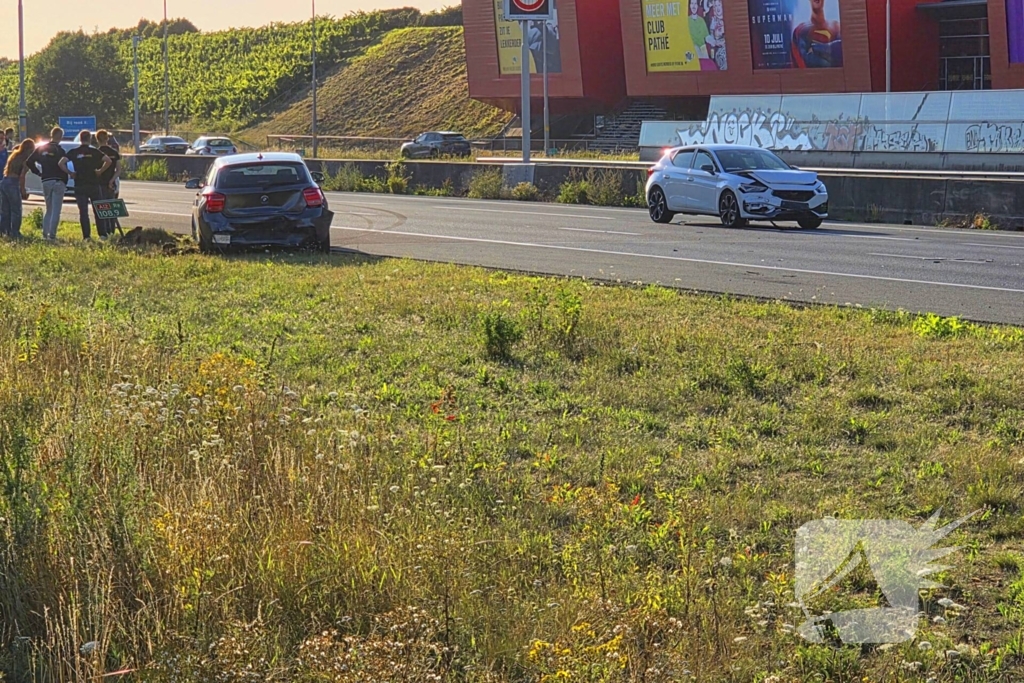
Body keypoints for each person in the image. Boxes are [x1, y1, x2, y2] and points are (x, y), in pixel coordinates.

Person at [59, 131, 111, 240]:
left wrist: (70, 173)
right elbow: (108, 161)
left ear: (80, 139)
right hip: (94, 184)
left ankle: (86, 236)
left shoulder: (74, 152)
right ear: (90, 139)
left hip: (80, 184)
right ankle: (102, 234)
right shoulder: (95, 152)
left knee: (83, 212)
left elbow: (61, 163)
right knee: (98, 210)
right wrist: (100, 171)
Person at [27, 126, 69, 241]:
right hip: (58, 180)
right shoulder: (60, 151)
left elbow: (29, 161)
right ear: (60, 137)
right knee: (56, 210)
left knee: (49, 208)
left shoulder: (41, 148)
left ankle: (45, 234)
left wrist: (38, 172)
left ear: (51, 135)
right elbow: (63, 164)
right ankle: (52, 235)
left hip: (46, 180)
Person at [0, 139, 36, 239]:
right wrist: (23, 190)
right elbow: (22, 176)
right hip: (13, 183)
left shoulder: (14, 155)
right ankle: (15, 233)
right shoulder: (26, 160)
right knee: (16, 210)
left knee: (5, 210)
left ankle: (4, 231)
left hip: (4, 181)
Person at [791, 0, 842, 68]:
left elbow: (840, 54)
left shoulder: (836, 27)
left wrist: (815, 48)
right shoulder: (800, 31)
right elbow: (804, 61)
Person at [96, 130, 122, 234]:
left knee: (101, 208)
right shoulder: (114, 153)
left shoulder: (96, 153)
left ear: (97, 139)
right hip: (111, 184)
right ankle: (112, 230)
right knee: (111, 208)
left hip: (100, 183)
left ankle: (104, 231)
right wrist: (112, 180)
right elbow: (119, 170)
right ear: (107, 139)